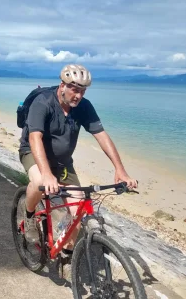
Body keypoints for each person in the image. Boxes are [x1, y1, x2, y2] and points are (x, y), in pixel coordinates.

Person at [18, 63, 137, 266]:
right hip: (33, 153)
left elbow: (102, 136)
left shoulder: (83, 106)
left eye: (83, 91)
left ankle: (66, 251)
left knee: (79, 208)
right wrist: (46, 174)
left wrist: (120, 170)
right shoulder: (43, 102)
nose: (78, 95)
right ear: (62, 85)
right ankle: (29, 216)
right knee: (38, 180)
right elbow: (35, 137)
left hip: (63, 163)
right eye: (74, 89)